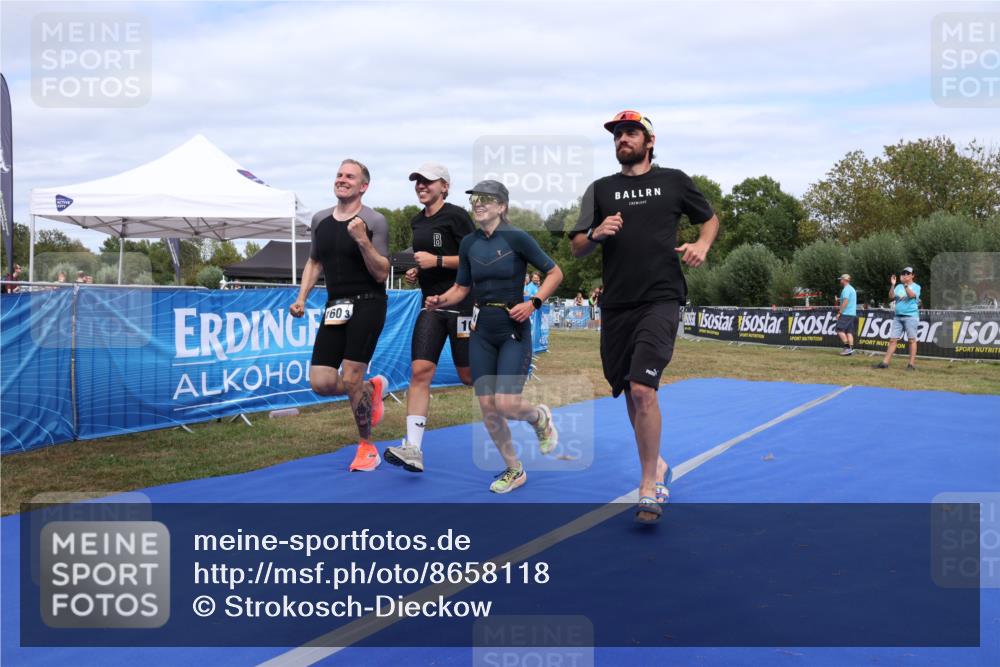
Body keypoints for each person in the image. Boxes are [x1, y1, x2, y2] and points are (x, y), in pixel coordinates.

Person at [570, 110, 720, 523]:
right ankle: (657, 463)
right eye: (618, 134)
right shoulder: (599, 190)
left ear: (649, 141)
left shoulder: (674, 181)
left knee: (642, 389)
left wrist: (702, 246)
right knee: (629, 390)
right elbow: (577, 247)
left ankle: (649, 485)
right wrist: (596, 234)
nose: (623, 139)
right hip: (616, 304)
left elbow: (709, 220)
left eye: (631, 133)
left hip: (661, 297)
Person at [426, 180, 563, 493]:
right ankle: (514, 468)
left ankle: (538, 417)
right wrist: (440, 300)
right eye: (475, 199)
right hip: (482, 329)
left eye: (486, 199)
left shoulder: (517, 237)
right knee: (488, 406)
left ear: (502, 206)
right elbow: (461, 288)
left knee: (506, 403)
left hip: (512, 327)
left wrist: (534, 303)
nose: (478, 204)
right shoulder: (469, 243)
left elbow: (555, 273)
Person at [290, 159, 390, 472]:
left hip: (368, 302)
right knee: (320, 382)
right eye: (339, 175)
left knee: (351, 377)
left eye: (350, 176)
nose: (342, 180)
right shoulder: (320, 219)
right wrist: (302, 297)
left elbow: (382, 272)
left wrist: (362, 239)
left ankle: (367, 447)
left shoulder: (374, 220)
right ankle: (371, 390)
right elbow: (314, 261)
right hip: (335, 306)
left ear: (363, 186)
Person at [384, 163, 475, 473]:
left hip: (462, 302)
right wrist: (417, 270)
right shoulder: (415, 221)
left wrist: (435, 259)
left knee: (469, 377)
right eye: (417, 181)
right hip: (432, 306)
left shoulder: (456, 216)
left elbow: (475, 257)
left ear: (444, 187)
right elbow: (427, 261)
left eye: (428, 181)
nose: (421, 186)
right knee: (420, 371)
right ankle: (413, 448)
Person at [873, 266, 921, 371]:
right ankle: (885, 363)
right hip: (898, 316)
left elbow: (912, 295)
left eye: (908, 273)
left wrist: (905, 285)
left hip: (911, 317)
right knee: (892, 340)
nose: (905, 275)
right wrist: (893, 285)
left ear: (913, 275)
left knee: (912, 340)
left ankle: (911, 365)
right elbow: (891, 296)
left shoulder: (916, 286)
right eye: (903, 273)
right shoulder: (898, 286)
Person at [835, 273, 857, 355]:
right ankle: (851, 349)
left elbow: (846, 301)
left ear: (844, 280)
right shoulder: (852, 289)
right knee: (849, 332)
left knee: (839, 329)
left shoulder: (846, 289)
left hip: (846, 313)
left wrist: (840, 312)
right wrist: (839, 299)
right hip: (852, 314)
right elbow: (847, 299)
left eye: (841, 279)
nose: (840, 281)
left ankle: (847, 348)